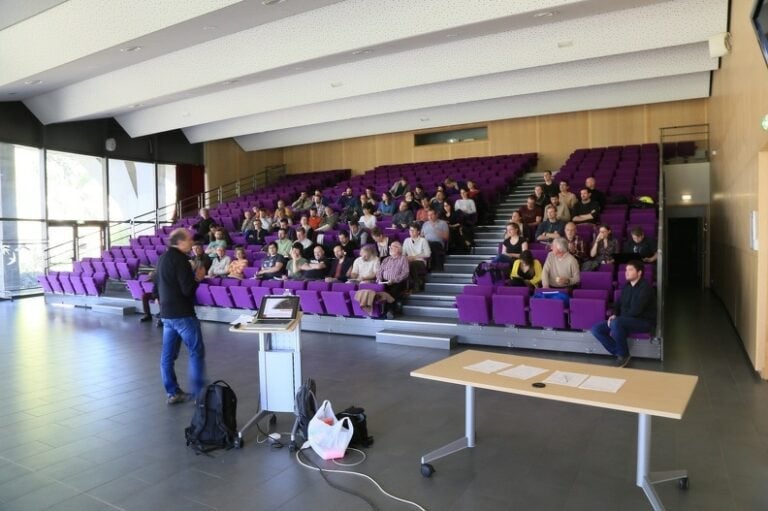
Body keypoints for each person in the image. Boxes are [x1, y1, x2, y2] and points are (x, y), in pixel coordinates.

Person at [155, 228, 206, 405]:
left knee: (167, 356)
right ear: (180, 242)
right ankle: (199, 395)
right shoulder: (181, 260)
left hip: (167, 314)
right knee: (196, 352)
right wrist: (198, 278)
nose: (192, 242)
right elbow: (187, 290)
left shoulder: (162, 258)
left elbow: (156, 283)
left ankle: (172, 392)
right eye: (189, 240)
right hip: (183, 314)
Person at [591, 260, 656, 367]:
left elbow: (636, 311)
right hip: (625, 320)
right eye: (626, 270)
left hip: (643, 322)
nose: (626, 272)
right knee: (596, 329)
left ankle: (623, 355)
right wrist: (614, 314)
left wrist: (617, 319)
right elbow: (618, 304)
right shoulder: (627, 286)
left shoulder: (646, 288)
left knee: (616, 323)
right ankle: (618, 351)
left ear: (639, 272)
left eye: (630, 270)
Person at [376, 241, 410, 318]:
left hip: (398, 282)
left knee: (392, 291)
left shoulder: (403, 259)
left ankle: (389, 310)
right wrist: (379, 280)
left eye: (392, 246)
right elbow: (379, 271)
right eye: (390, 247)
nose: (390, 248)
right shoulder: (386, 259)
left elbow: (405, 273)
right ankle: (383, 310)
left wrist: (394, 280)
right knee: (380, 290)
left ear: (398, 249)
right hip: (384, 281)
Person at [402, 223, 431, 290]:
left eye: (413, 230)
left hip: (420, 262)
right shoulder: (406, 240)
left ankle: (415, 284)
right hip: (409, 261)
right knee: (404, 264)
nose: (411, 232)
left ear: (418, 232)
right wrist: (406, 258)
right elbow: (403, 254)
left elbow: (428, 254)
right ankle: (408, 286)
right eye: (410, 230)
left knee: (412, 264)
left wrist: (414, 257)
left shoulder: (423, 240)